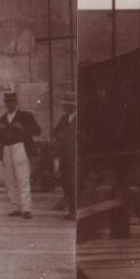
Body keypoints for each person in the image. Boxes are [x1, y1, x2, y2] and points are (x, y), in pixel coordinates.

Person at [0, 89, 41, 219]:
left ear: (16, 102)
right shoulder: (2, 118)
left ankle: (26, 209)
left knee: (23, 178)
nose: (9, 104)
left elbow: (37, 130)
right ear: (5, 103)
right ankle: (15, 207)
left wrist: (23, 128)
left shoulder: (25, 115)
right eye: (7, 102)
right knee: (10, 180)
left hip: (20, 147)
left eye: (11, 102)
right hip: (6, 149)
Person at [52, 91, 78, 220]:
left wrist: (64, 135)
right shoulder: (64, 118)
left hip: (74, 156)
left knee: (74, 184)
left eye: (67, 105)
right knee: (66, 183)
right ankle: (72, 210)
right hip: (64, 156)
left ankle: (75, 211)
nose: (65, 107)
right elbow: (56, 131)